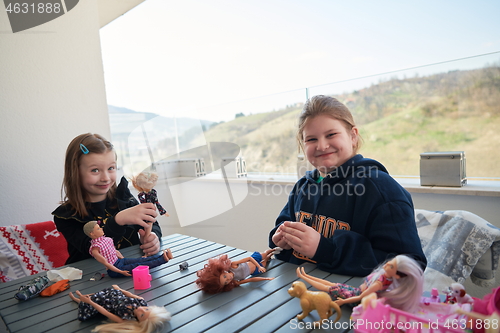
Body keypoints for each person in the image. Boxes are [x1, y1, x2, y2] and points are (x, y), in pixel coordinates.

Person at [269, 95, 426, 277]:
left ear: (353, 136)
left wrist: (324, 249)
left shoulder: (381, 189)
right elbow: (283, 223)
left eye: (331, 134)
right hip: (294, 292)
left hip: (354, 300)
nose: (322, 145)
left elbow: (409, 266)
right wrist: (279, 238)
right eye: (311, 139)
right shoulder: (302, 187)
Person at [53, 133, 163, 264]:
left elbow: (151, 223)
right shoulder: (66, 216)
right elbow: (92, 249)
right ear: (75, 172)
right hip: (91, 278)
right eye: (95, 170)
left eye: (111, 168)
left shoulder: (123, 197)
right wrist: (118, 221)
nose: (105, 177)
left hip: (131, 270)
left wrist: (153, 238)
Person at [296, 255, 424, 313]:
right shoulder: (385, 278)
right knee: (331, 283)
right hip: (354, 290)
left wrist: (342, 302)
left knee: (327, 287)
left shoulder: (379, 284)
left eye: (391, 266)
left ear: (396, 274)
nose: (386, 264)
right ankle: (306, 275)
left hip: (352, 296)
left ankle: (303, 277)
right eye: (390, 261)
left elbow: (360, 297)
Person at [84, 221, 173, 278]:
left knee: (140, 260)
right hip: (114, 269)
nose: (101, 229)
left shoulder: (106, 240)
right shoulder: (95, 249)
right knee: (138, 266)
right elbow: (106, 263)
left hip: (119, 261)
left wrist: (124, 259)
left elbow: (115, 251)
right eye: (98, 229)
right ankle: (163, 259)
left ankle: (162, 255)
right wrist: (121, 271)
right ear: (92, 233)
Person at [69, 284, 171, 333]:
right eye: (147, 309)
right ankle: (84, 297)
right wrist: (120, 289)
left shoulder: (126, 317)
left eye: (142, 315)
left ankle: (79, 299)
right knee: (98, 294)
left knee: (92, 300)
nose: (142, 309)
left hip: (106, 303)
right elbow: (130, 294)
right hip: (115, 295)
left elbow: (105, 313)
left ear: (139, 321)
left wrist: (89, 302)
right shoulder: (141, 302)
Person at [195, 249, 277, 294]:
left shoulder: (233, 265)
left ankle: (273, 250)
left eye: (224, 276)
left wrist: (258, 266)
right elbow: (250, 280)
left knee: (265, 253)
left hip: (253, 260)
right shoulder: (236, 281)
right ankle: (269, 257)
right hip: (255, 271)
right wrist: (265, 279)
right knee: (265, 262)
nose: (228, 278)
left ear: (222, 271)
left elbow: (249, 258)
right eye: (226, 282)